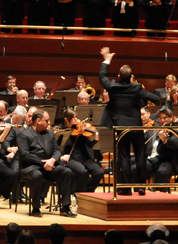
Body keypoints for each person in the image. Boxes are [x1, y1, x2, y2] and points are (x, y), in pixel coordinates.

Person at [97, 47, 160, 196]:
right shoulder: (137, 88)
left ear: (119, 76)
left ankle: (125, 188)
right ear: (131, 76)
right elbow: (155, 98)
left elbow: (102, 77)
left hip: (121, 127)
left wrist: (107, 60)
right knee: (140, 155)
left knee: (124, 156)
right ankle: (140, 187)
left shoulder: (113, 87)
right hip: (136, 127)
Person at [18, 109, 79, 217]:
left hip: (49, 166)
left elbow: (56, 150)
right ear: (38, 120)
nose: (49, 123)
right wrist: (43, 163)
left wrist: (52, 160)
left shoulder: (49, 134)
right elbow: (25, 155)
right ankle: (35, 208)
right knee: (37, 175)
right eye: (46, 120)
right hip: (30, 167)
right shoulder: (24, 134)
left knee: (67, 172)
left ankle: (65, 207)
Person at [61, 108, 104, 192]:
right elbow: (63, 147)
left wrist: (95, 139)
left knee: (99, 172)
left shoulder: (81, 130)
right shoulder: (64, 132)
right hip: (72, 159)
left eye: (76, 117)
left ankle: (87, 191)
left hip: (85, 158)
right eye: (73, 118)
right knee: (82, 172)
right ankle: (80, 193)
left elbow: (89, 144)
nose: (76, 119)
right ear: (66, 120)